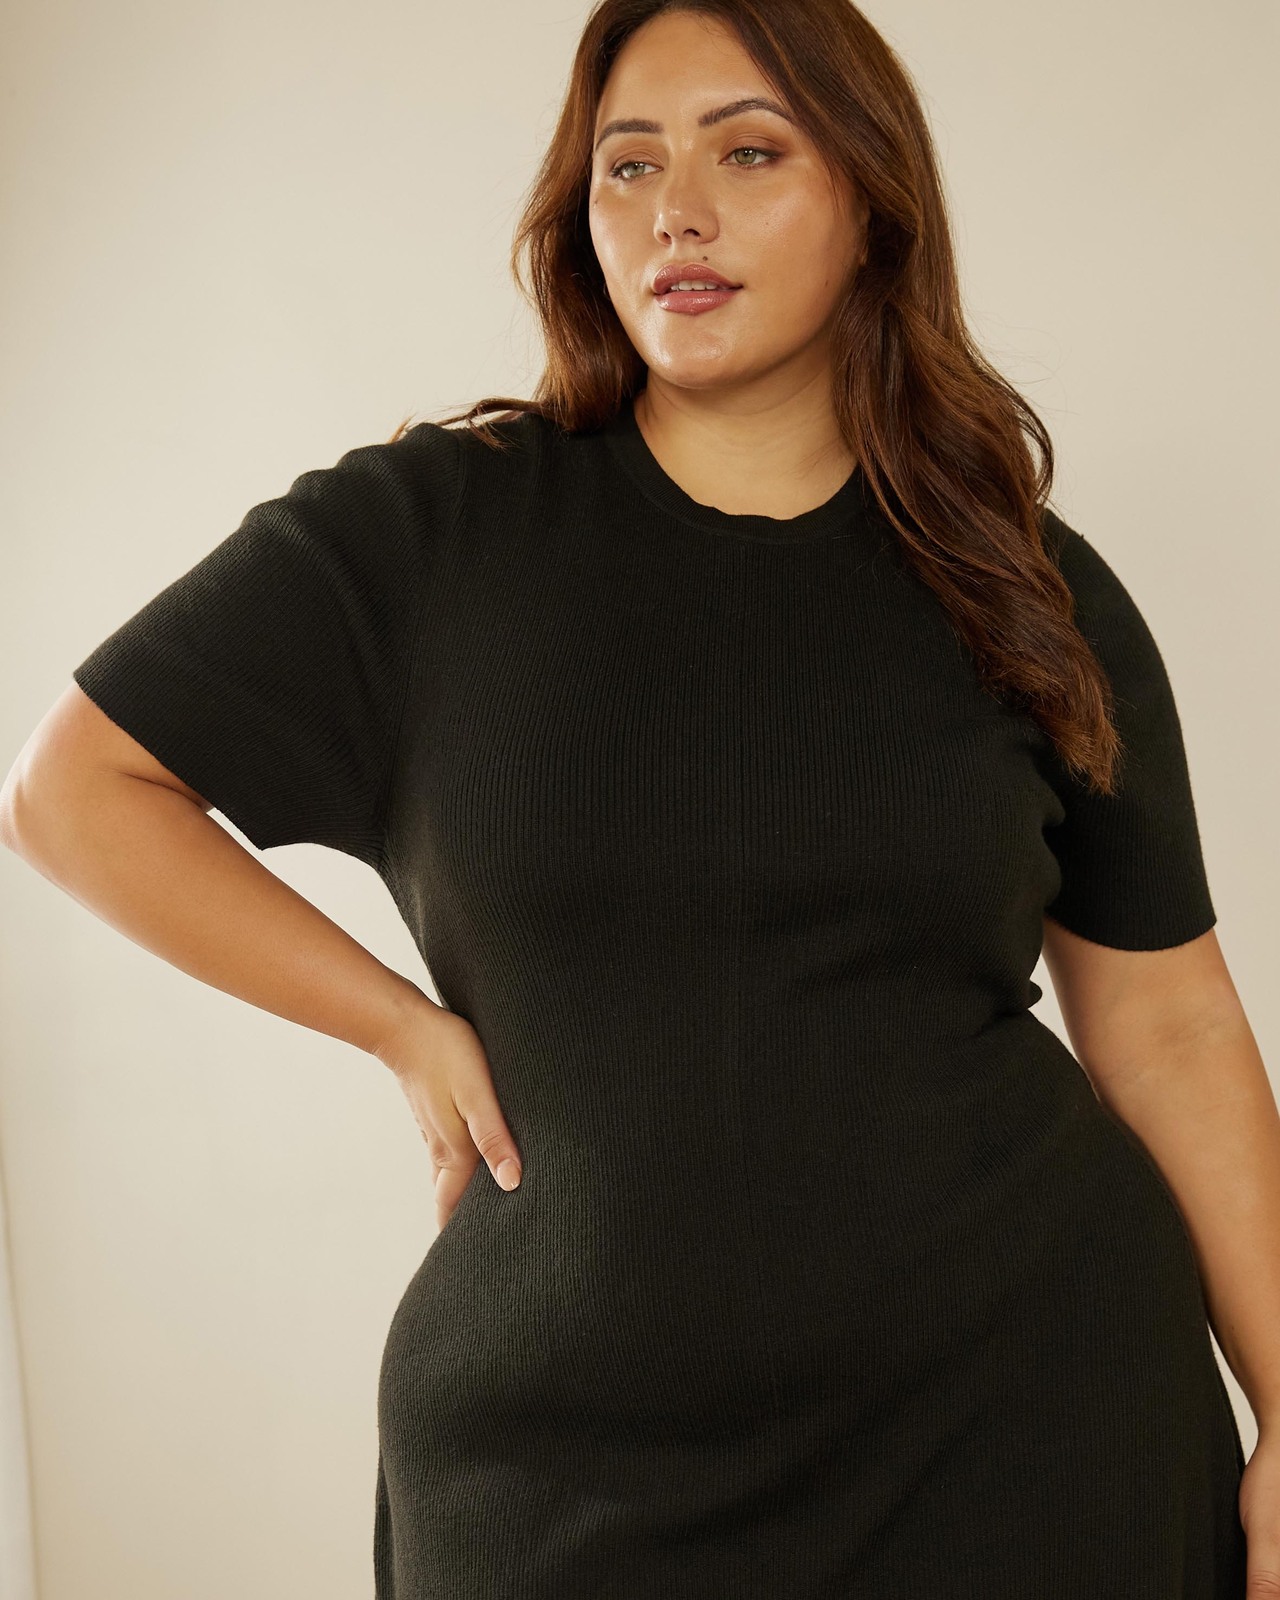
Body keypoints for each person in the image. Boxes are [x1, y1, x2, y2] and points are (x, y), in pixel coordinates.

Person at [3, 1, 1278, 1595]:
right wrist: (396, 1026)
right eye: (628, 165)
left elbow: (1170, 1027)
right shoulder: (434, 535)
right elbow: (74, 790)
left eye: (750, 154)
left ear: (873, 203)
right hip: (554, 1473)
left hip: (1024, 1436)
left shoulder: (1022, 585)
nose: (678, 210)